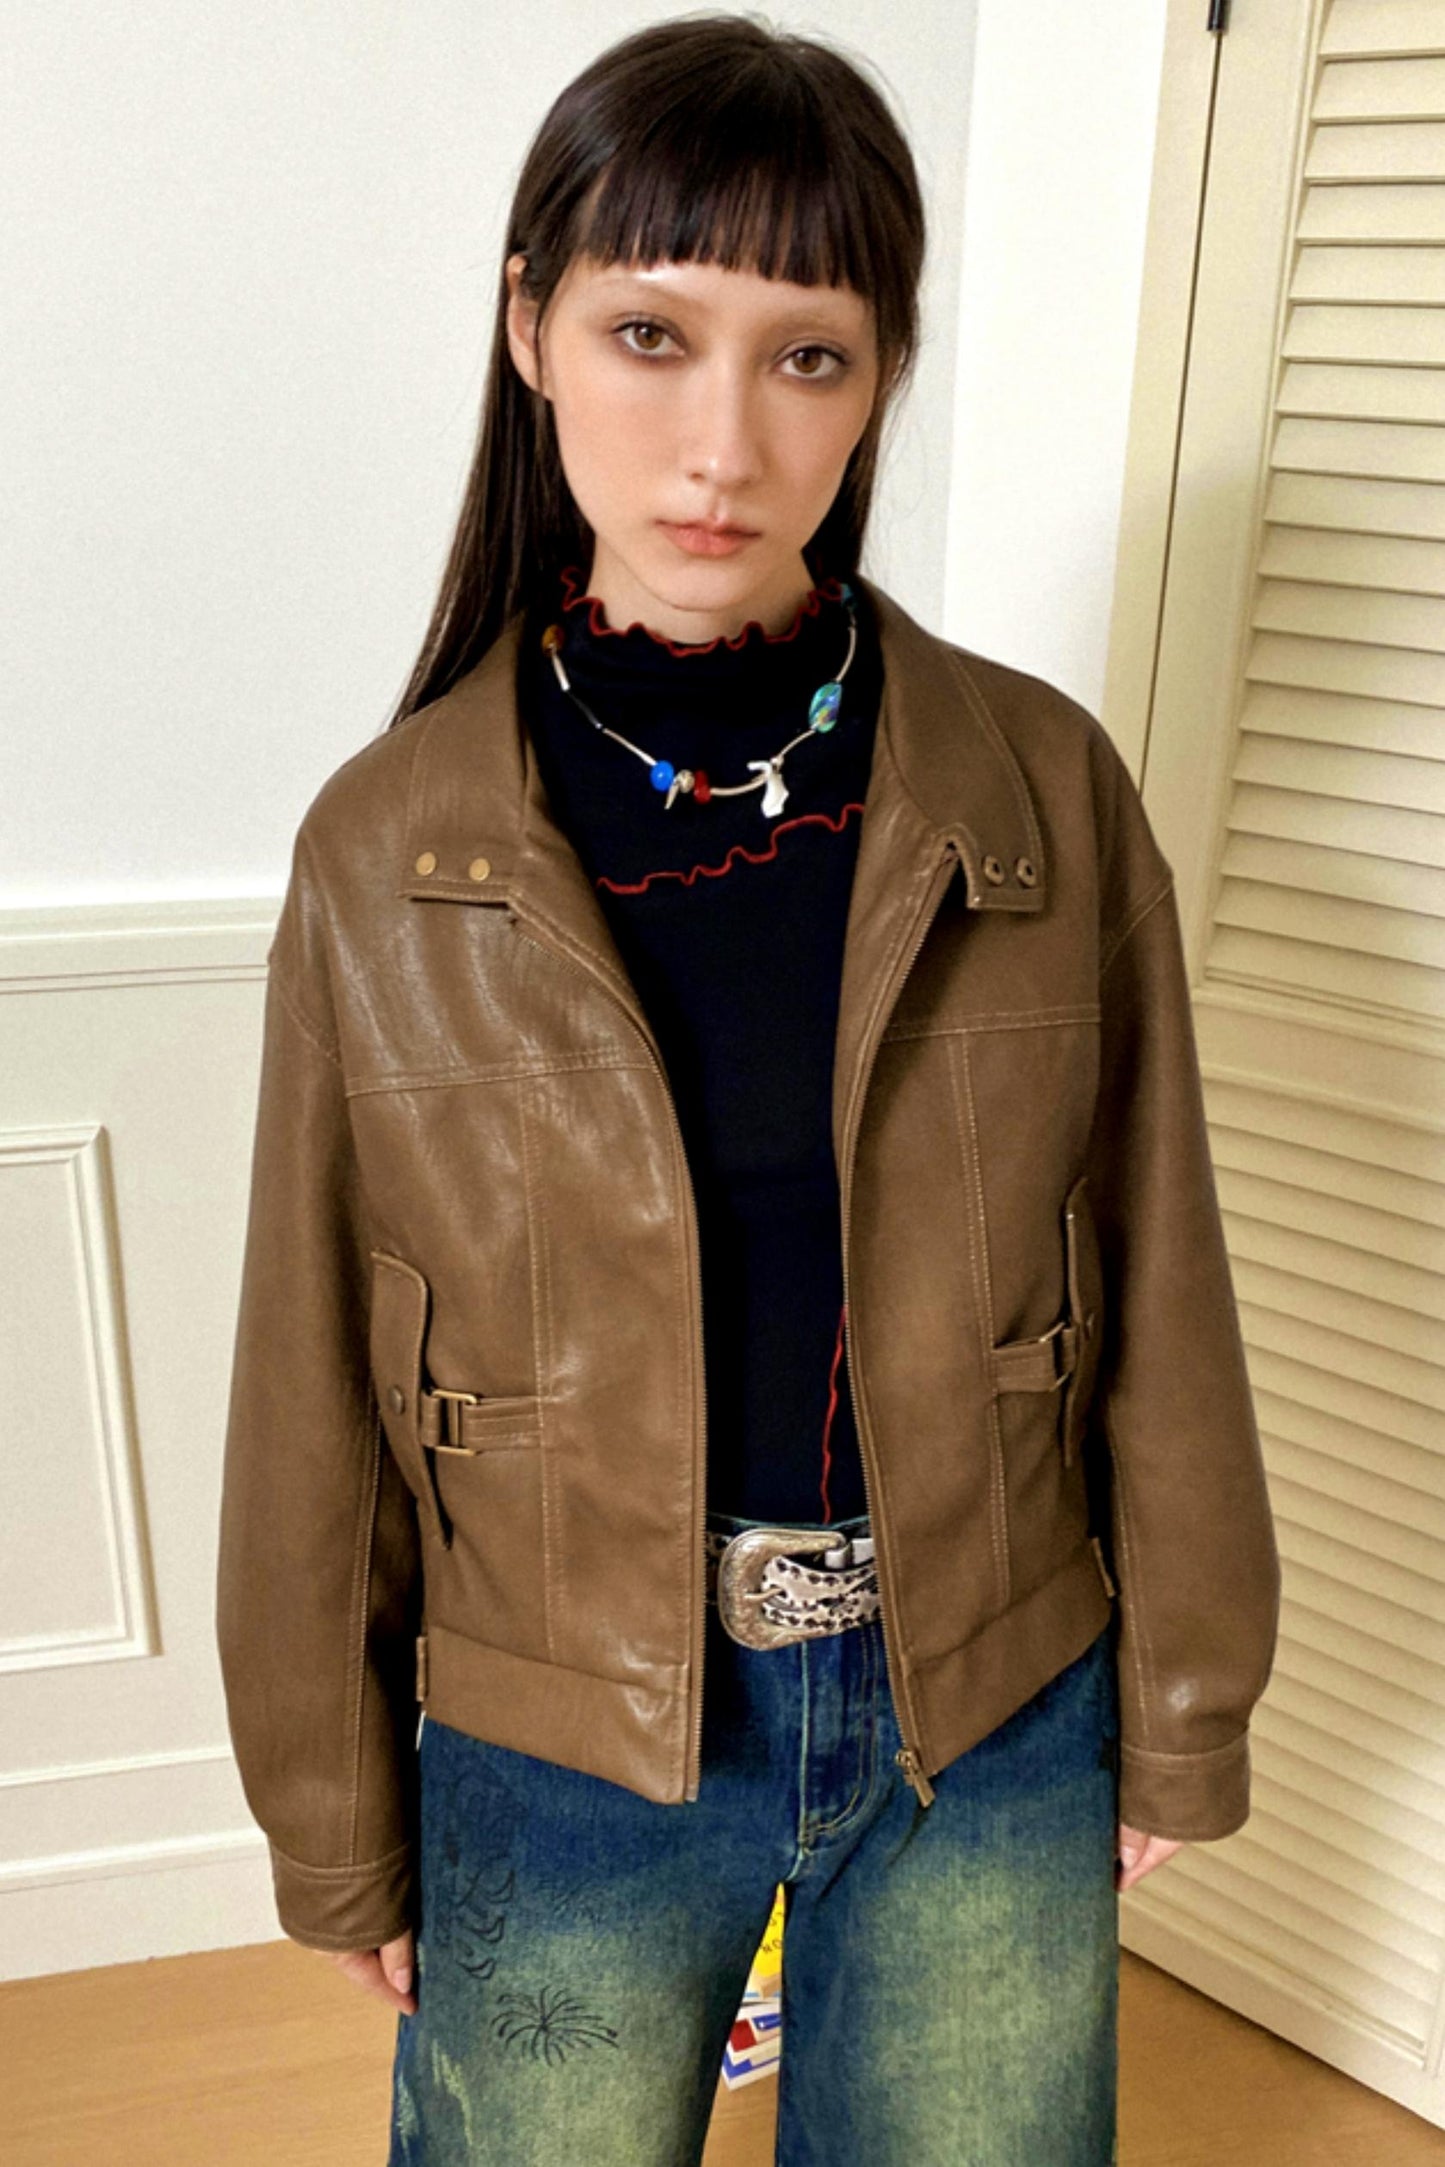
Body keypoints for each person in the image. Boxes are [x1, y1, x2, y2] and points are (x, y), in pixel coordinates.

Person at [215, 14, 1280, 2164]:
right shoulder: (391, 846)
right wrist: (331, 1815)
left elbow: (1161, 1270)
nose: (722, 442)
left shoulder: (1038, 788)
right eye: (649, 333)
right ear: (529, 328)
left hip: (988, 1702)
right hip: (557, 1732)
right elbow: (311, 1375)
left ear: (880, 379)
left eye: (808, 356)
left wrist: (1183, 1704)